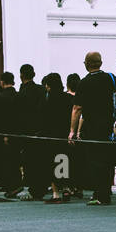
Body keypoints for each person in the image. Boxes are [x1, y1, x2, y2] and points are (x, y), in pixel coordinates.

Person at [70, 51, 116, 205]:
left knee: (94, 160)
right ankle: (104, 192)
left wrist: (72, 130)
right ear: (100, 63)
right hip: (107, 124)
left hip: (91, 125)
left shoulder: (84, 83)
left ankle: (100, 194)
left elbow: (77, 108)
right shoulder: (110, 79)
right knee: (105, 158)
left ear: (87, 64)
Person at [40, 73, 75, 203]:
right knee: (63, 161)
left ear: (48, 85)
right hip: (64, 134)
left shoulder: (47, 99)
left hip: (50, 135)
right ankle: (66, 188)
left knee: (52, 162)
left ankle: (56, 193)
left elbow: (43, 118)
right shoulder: (67, 98)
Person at [15, 63, 47, 200]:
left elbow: (18, 114)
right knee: (40, 160)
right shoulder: (41, 90)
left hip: (26, 131)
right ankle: (42, 186)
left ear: (21, 75)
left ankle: (32, 187)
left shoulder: (21, 93)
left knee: (28, 161)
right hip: (40, 130)